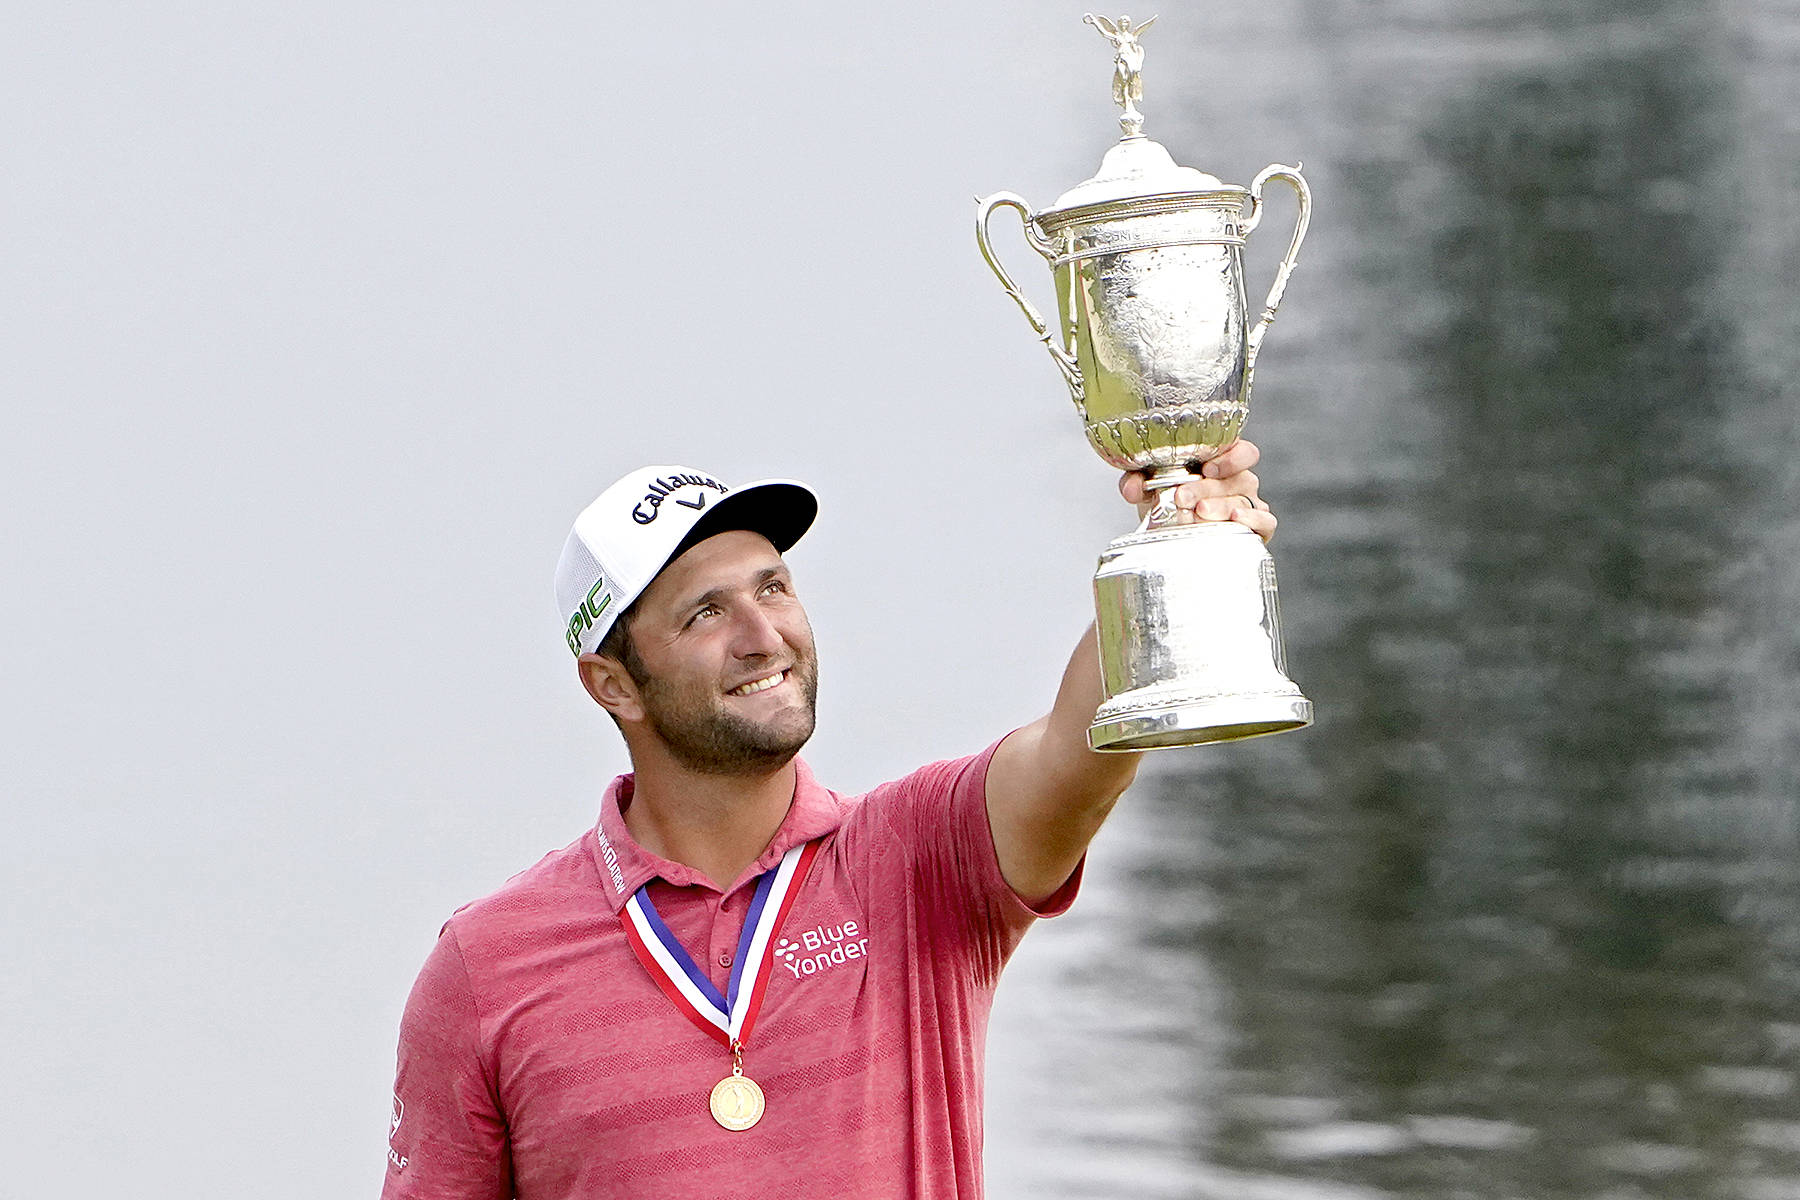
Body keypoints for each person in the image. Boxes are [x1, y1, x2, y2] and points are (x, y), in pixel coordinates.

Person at [382, 444, 1274, 1199]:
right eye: (706, 612)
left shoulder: (920, 857)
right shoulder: (487, 967)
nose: (763, 635)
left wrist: (1180, 548)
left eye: (773, 588)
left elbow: (1082, 750)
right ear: (612, 684)